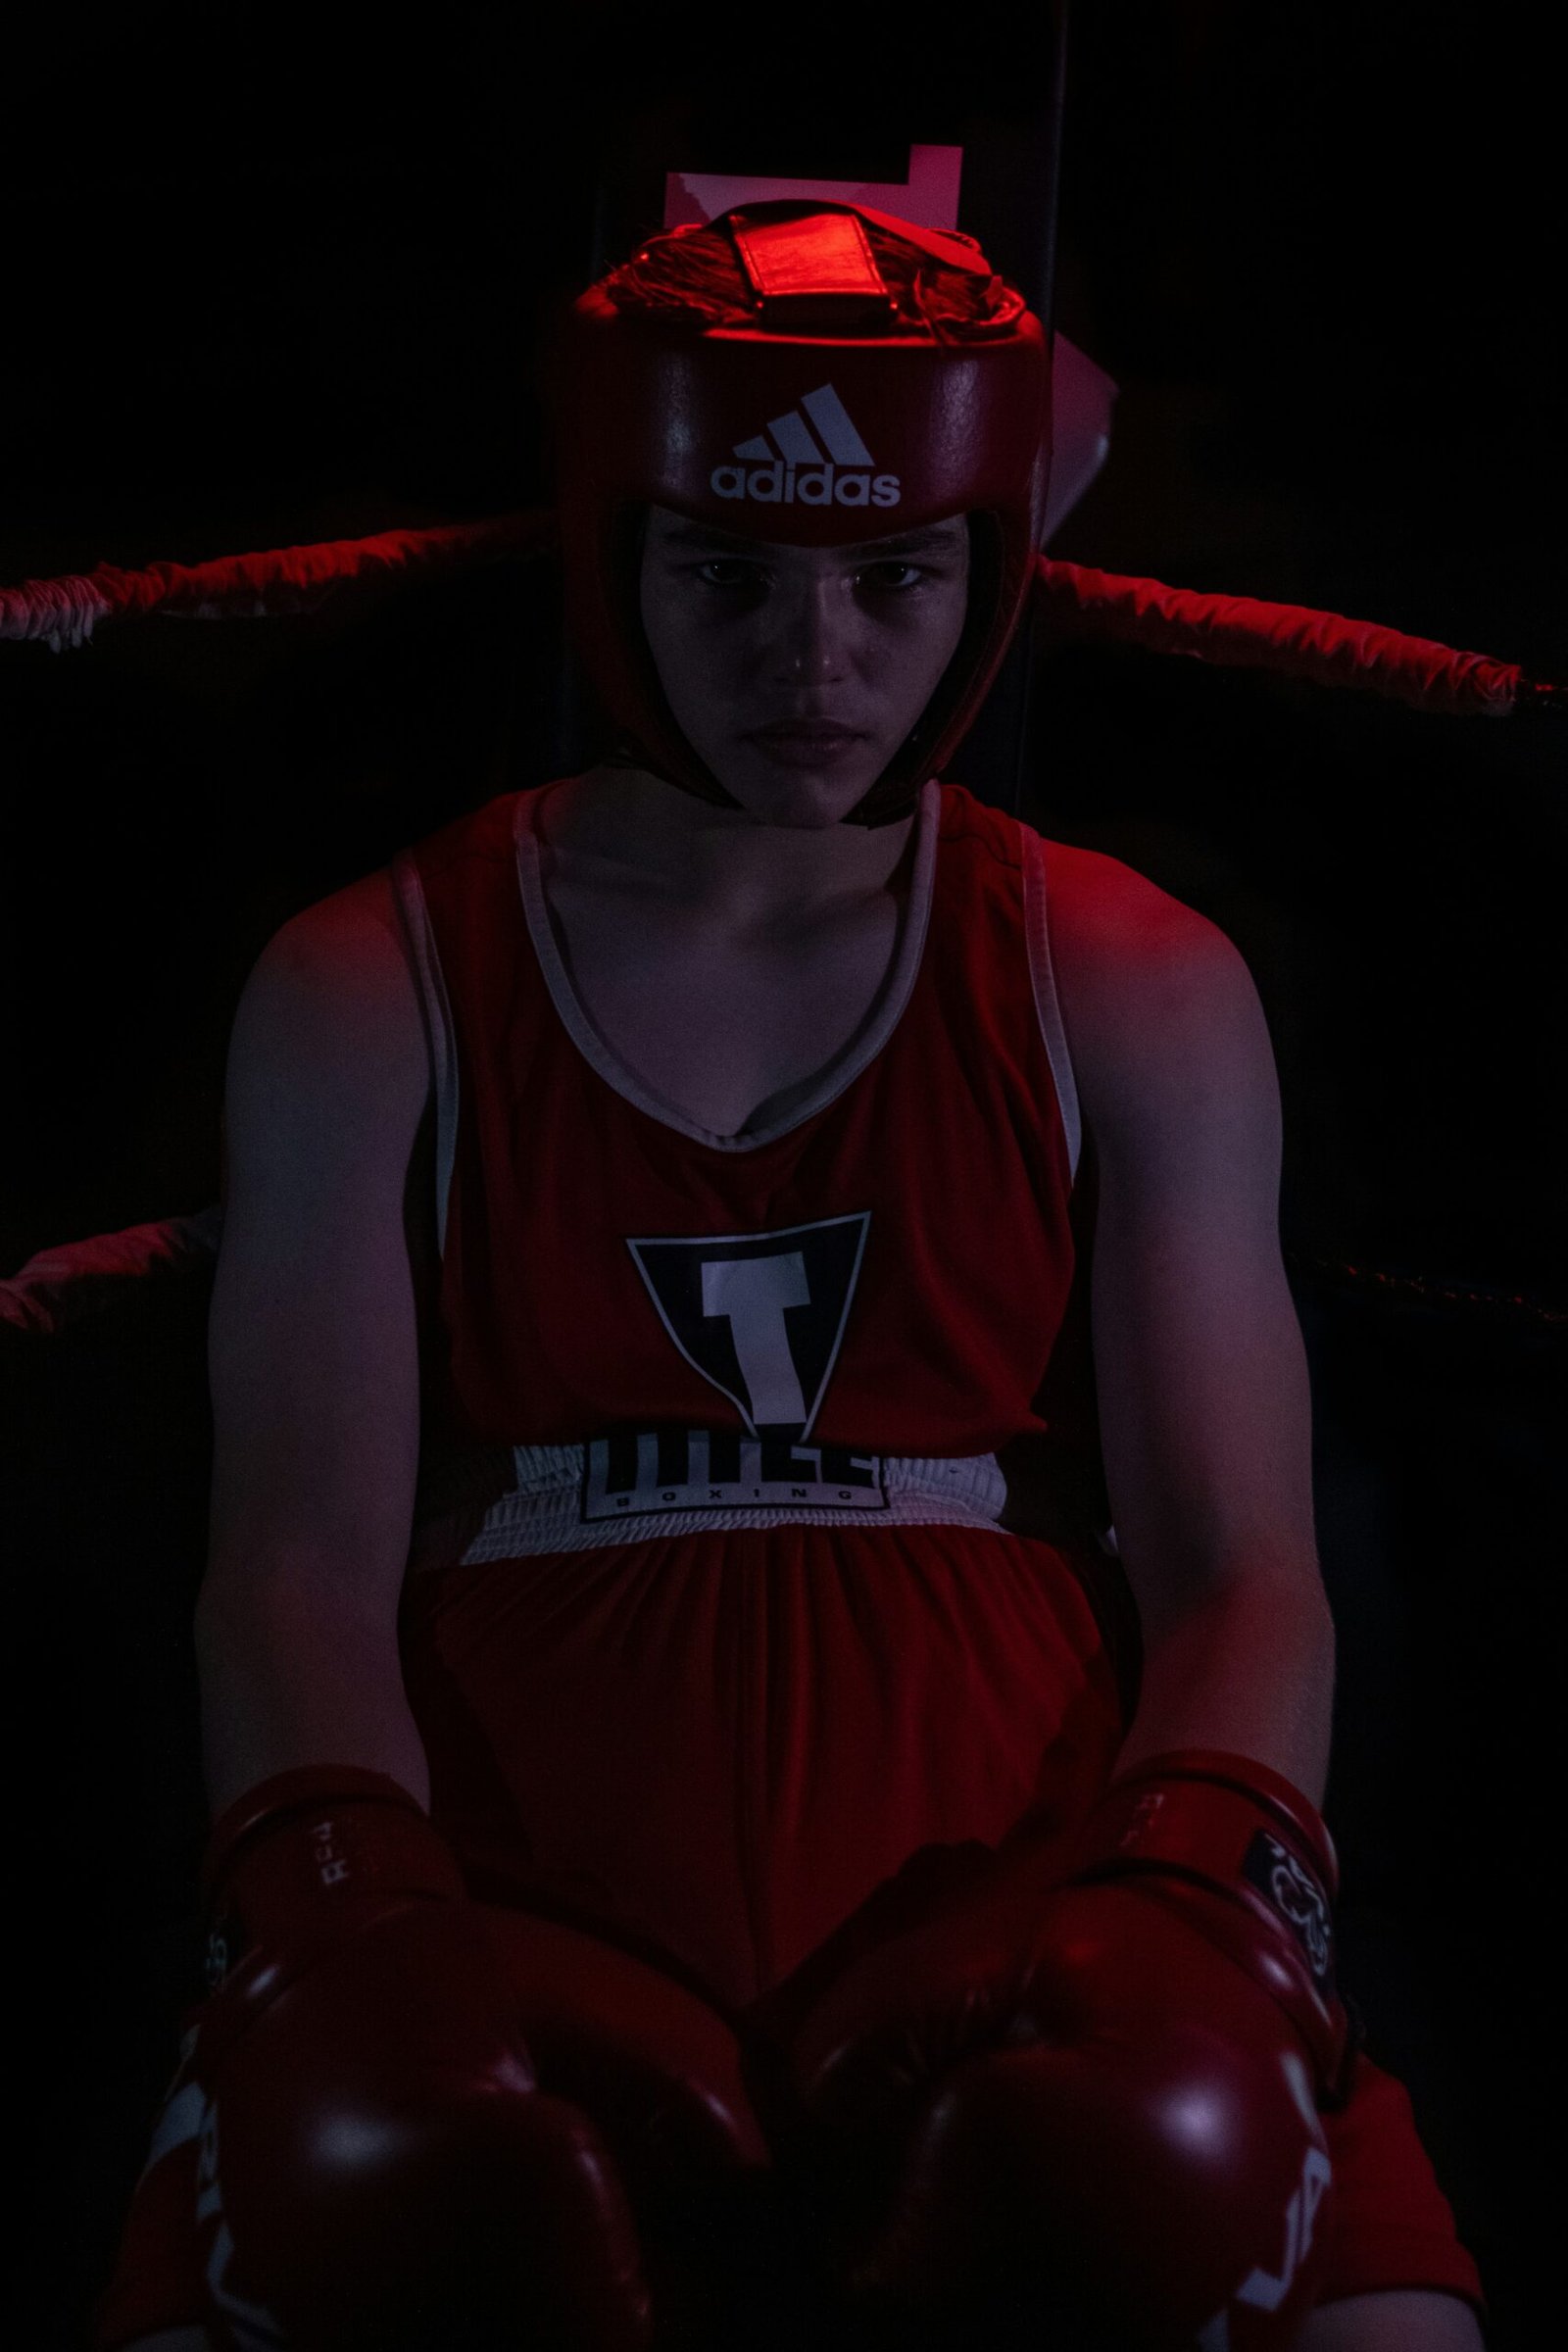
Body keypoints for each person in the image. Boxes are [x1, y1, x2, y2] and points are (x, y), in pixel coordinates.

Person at [94, 203, 1488, 2351]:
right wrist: (340, 1936)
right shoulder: (372, 974)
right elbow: (287, 1568)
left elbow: (1239, 1565)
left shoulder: (1121, 971)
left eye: (889, 580)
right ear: (615, 558)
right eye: (727, 576)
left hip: (1037, 1904)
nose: (812, 663)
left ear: (984, 578)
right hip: (498, 1907)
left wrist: (1200, 1916)